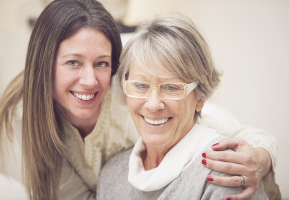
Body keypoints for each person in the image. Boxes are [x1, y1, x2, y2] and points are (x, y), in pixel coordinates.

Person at [0, 0, 280, 200]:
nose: (90, 80)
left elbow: (216, 127)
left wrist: (260, 156)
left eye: (102, 63)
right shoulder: (25, 115)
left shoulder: (129, 92)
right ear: (44, 65)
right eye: (73, 63)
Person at [96, 14, 270, 200]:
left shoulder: (227, 171)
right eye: (140, 85)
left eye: (171, 88)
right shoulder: (111, 174)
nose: (153, 105)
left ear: (200, 97)